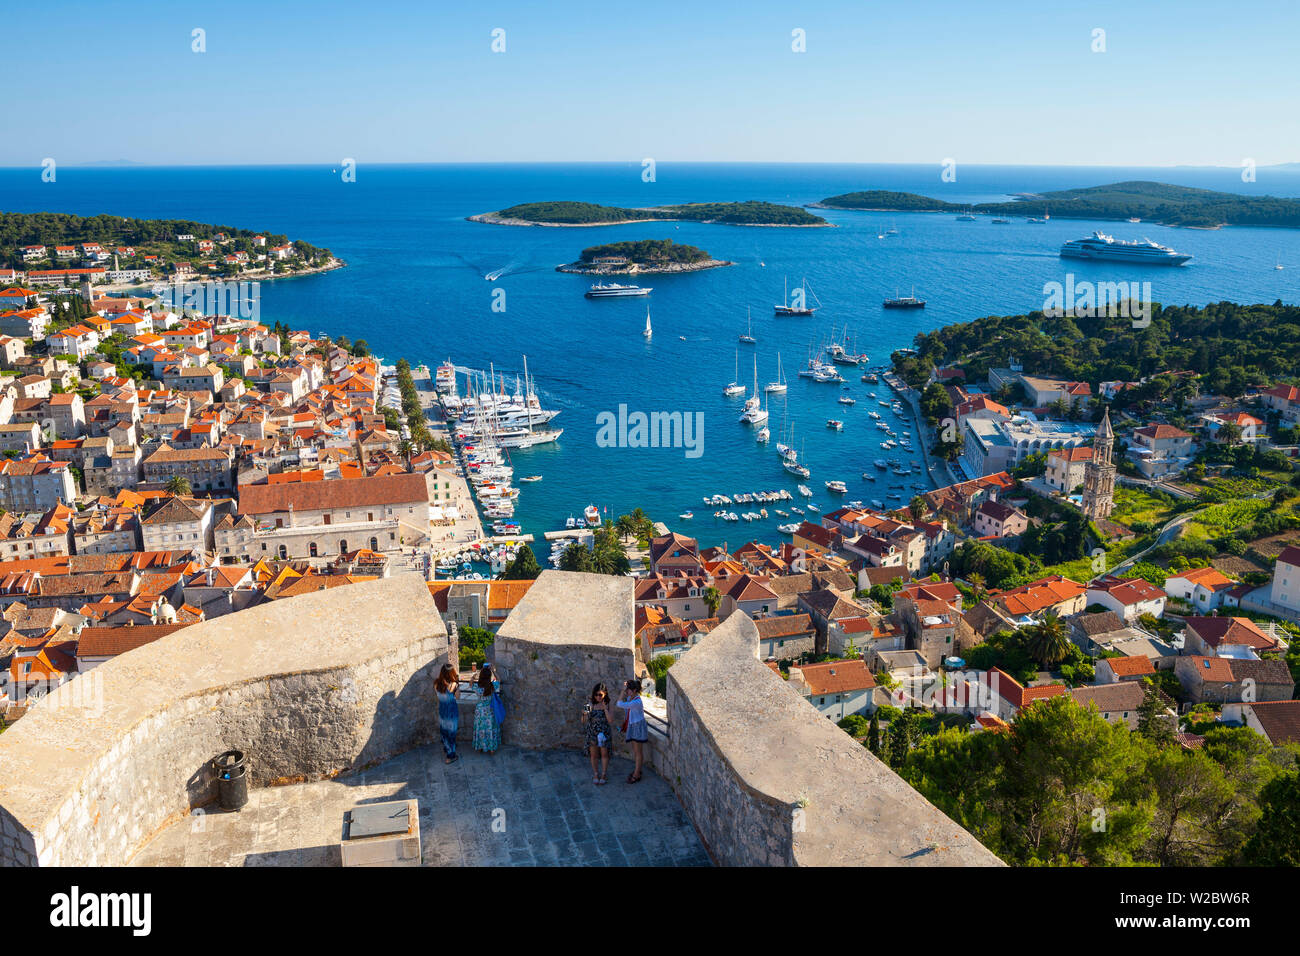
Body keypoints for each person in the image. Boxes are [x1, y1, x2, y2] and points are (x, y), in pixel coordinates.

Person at [581, 683, 616, 785]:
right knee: (593, 755)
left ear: (605, 693)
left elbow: (610, 720)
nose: (598, 697)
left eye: (600, 695)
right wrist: (584, 712)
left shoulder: (609, 704)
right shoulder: (590, 704)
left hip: (604, 733)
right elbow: (583, 720)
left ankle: (604, 774)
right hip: (592, 732)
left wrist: (605, 708)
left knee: (604, 754)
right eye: (596, 695)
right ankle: (596, 773)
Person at [616, 678, 648, 784]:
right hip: (633, 726)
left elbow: (619, 704)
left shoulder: (637, 701)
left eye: (628, 690)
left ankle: (637, 774)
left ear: (634, 690)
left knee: (638, 752)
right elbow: (628, 712)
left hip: (637, 727)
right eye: (626, 690)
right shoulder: (631, 698)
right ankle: (637, 770)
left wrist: (621, 691)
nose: (626, 692)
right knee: (636, 751)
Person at [434, 664, 460, 764]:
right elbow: (458, 697)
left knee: (444, 731)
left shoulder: (436, 683)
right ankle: (450, 756)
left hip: (442, 710)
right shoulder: (453, 685)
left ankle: (447, 747)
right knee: (451, 733)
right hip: (451, 711)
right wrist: (457, 686)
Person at [473, 663, 501, 754]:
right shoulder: (492, 686)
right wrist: (493, 670)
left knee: (481, 729)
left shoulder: (477, 687)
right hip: (489, 710)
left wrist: (474, 676)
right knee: (490, 728)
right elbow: (499, 680)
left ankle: (481, 747)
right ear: (489, 676)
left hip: (479, 711)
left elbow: (470, 683)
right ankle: (491, 749)